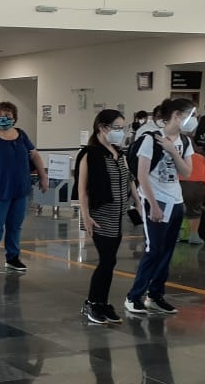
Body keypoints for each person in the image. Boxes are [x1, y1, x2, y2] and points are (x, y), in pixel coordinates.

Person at [124, 98, 195, 316]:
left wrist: (173, 151)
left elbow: (187, 172)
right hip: (155, 201)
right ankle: (133, 296)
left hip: (176, 201)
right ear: (177, 115)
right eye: (191, 115)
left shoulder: (184, 141)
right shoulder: (150, 140)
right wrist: (153, 205)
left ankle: (155, 295)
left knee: (167, 251)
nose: (193, 120)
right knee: (153, 250)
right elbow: (142, 175)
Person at [76, 109, 135, 324]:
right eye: (117, 128)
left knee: (110, 261)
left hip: (118, 215)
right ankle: (92, 303)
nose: (121, 132)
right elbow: (82, 189)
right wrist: (86, 216)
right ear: (102, 127)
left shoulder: (119, 153)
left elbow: (129, 180)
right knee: (107, 260)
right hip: (100, 214)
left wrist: (138, 202)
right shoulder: (89, 154)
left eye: (123, 128)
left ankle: (102, 303)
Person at [0, 101, 48, 273]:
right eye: (0, 116)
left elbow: (34, 154)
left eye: (7, 116)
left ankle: (12, 257)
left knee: (15, 225)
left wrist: (43, 176)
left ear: (14, 118)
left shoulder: (21, 135)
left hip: (20, 189)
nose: (3, 119)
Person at [179, 152, 205, 244]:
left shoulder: (176, 156)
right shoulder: (201, 157)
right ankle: (194, 236)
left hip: (181, 184)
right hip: (199, 186)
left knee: (177, 209)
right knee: (195, 211)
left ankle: (177, 235)